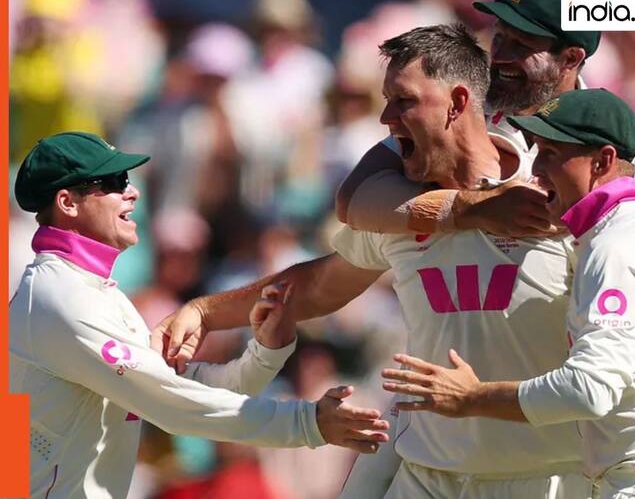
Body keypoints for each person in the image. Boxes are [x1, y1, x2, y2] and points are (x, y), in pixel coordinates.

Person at [153, 24, 591, 499]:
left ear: (458, 103)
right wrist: (205, 312)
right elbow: (318, 284)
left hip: (542, 477)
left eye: (404, 101)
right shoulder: (401, 207)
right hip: (428, 474)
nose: (386, 118)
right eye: (386, 100)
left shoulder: (554, 199)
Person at [10, 132, 389, 499]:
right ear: (67, 203)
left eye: (125, 179)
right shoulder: (61, 297)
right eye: (112, 182)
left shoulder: (93, 292)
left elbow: (184, 388)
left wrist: (264, 354)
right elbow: (173, 405)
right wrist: (307, 423)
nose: (132, 191)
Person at [381, 89, 635, 499]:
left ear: (602, 161)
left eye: (551, 154)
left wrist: (472, 397)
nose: (536, 168)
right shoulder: (630, 230)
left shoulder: (618, 245)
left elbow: (589, 389)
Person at [335, 0, 635, 237]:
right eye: (499, 38)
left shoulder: (617, 136)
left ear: (571, 58)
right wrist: (475, 209)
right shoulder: (466, 107)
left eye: (521, 45)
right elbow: (352, 199)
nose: (499, 56)